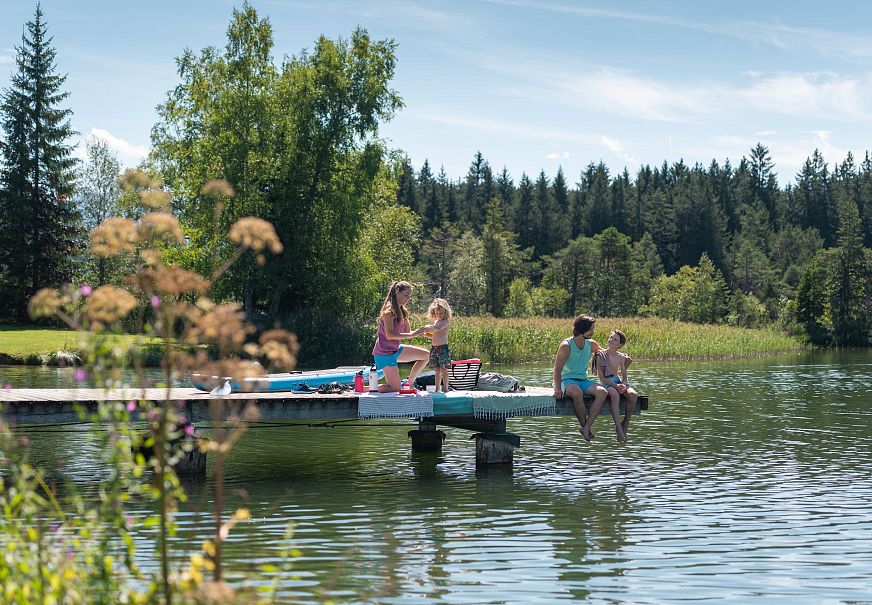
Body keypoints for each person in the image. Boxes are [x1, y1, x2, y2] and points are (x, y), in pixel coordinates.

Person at [552, 314, 625, 443]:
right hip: (567, 380)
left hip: (583, 380)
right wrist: (557, 388)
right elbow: (557, 369)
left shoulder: (591, 344)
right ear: (583, 329)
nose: (593, 331)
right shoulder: (566, 345)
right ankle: (585, 427)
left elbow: (608, 355)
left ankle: (586, 427)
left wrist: (623, 357)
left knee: (602, 392)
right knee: (577, 393)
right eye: (591, 328)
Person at [371, 281, 430, 392]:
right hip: (384, 353)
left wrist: (422, 333)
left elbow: (408, 331)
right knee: (395, 388)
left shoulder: (403, 311)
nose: (408, 299)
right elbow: (390, 335)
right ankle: (362, 388)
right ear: (397, 292)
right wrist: (412, 334)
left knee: (427, 355)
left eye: (410, 296)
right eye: (406, 295)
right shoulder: (388, 312)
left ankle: (410, 382)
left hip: (395, 350)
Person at [595, 330, 639, 436]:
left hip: (617, 381)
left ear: (620, 345)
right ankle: (619, 429)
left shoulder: (621, 357)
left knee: (633, 395)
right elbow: (601, 378)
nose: (611, 340)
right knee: (615, 395)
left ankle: (625, 424)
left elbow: (624, 376)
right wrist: (615, 386)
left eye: (615, 340)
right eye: (610, 338)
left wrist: (623, 384)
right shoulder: (600, 355)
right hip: (606, 382)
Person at [421, 298, 453, 392]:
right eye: (437, 313)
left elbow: (438, 328)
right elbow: (435, 336)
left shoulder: (445, 322)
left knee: (444, 370)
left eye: (441, 313)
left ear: (445, 312)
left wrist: (429, 327)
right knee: (437, 371)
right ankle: (437, 389)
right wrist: (425, 334)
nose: (439, 315)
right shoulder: (436, 322)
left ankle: (446, 389)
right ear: (434, 312)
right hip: (434, 349)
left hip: (443, 349)